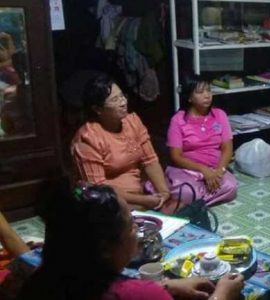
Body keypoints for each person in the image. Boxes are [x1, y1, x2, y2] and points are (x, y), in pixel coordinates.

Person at [19, 184, 245, 300]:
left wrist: (166, 284)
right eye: (131, 225)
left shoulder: (38, 280)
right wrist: (223, 295)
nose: (137, 231)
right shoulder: (139, 294)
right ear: (106, 249)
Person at [71, 73, 172, 211]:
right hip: (107, 202)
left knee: (178, 208)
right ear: (97, 109)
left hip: (138, 193)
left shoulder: (132, 121)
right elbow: (99, 189)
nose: (123, 102)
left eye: (122, 96)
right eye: (114, 100)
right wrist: (145, 201)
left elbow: (150, 160)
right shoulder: (88, 139)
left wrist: (164, 193)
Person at [146, 74, 237, 211]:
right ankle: (192, 198)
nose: (207, 95)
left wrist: (219, 171)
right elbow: (176, 156)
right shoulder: (178, 120)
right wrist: (203, 170)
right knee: (188, 191)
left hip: (214, 168)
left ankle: (190, 204)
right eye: (200, 92)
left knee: (231, 187)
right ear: (189, 98)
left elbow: (227, 148)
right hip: (187, 170)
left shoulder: (219, 115)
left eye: (208, 90)